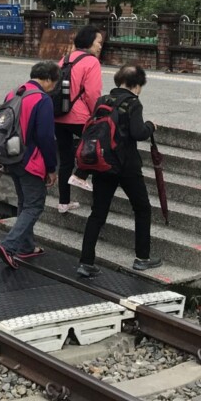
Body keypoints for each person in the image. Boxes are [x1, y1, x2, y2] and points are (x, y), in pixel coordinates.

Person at [77, 64, 162, 278]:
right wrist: (151, 126)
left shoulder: (102, 100)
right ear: (136, 84)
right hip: (126, 166)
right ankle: (142, 258)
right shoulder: (133, 103)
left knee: (98, 213)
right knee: (142, 208)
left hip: (102, 163)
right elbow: (138, 133)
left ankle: (86, 262)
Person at [0, 61, 60, 269]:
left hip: (11, 156)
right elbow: (45, 136)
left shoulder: (13, 93)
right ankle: (9, 245)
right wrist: (51, 167)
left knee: (24, 202)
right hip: (31, 160)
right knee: (34, 205)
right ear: (48, 79)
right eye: (54, 83)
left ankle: (26, 246)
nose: (53, 87)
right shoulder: (42, 99)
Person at [55, 26, 104, 209]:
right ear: (90, 42)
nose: (100, 46)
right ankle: (81, 176)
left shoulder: (65, 59)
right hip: (79, 117)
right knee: (98, 146)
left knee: (65, 160)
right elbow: (93, 94)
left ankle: (64, 202)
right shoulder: (92, 62)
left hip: (58, 115)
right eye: (98, 42)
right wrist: (95, 116)